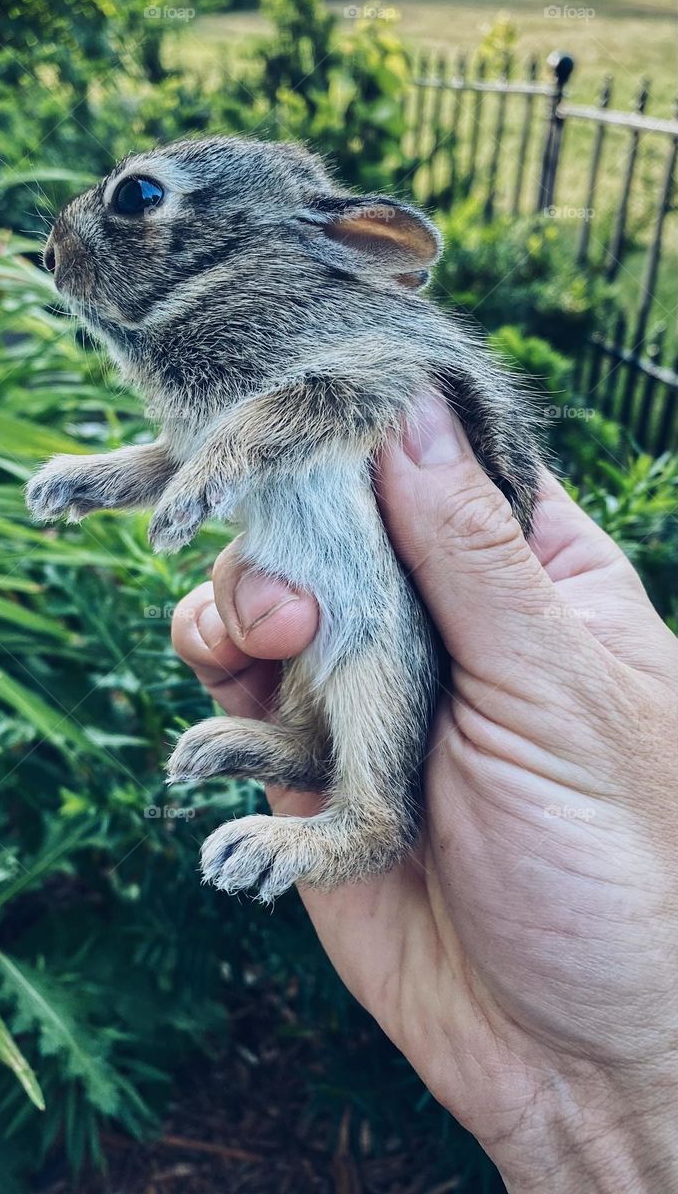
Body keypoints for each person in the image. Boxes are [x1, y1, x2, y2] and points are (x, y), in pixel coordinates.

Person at [170, 393, 678, 1192]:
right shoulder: (215, 363)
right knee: (303, 622)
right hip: (340, 582)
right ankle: (309, 748)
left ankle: (363, 822)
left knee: (365, 632)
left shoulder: (353, 355)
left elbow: (332, 397)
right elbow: (198, 452)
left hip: (392, 611)